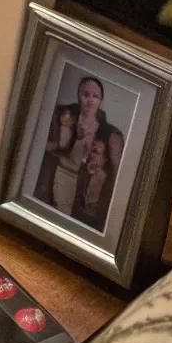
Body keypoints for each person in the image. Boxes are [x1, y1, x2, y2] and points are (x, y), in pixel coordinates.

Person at [34, 74, 121, 215]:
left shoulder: (106, 132)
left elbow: (109, 169)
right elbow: (48, 146)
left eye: (95, 96)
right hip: (61, 174)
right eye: (85, 95)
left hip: (84, 186)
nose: (90, 101)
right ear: (78, 96)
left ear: (100, 101)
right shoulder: (65, 116)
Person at [72, 129, 121, 232]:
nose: (91, 155)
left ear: (106, 159)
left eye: (96, 152)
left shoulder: (110, 184)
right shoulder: (85, 173)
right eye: (92, 150)